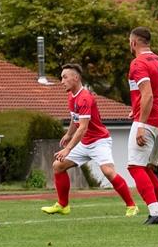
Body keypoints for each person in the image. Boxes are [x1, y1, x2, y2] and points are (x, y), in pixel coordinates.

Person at [40, 63, 138, 217]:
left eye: (65, 77)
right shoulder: (72, 96)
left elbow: (83, 128)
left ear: (76, 77)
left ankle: (132, 206)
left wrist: (68, 149)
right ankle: (63, 205)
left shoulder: (85, 97)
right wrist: (68, 134)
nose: (62, 81)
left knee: (108, 172)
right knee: (58, 166)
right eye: (61, 78)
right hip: (85, 142)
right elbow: (75, 119)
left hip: (100, 141)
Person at [126, 27, 158, 225]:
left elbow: (148, 95)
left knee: (135, 167)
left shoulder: (139, 63)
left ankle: (154, 212)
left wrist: (141, 123)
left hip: (148, 121)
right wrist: (138, 109)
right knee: (147, 168)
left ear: (134, 42)